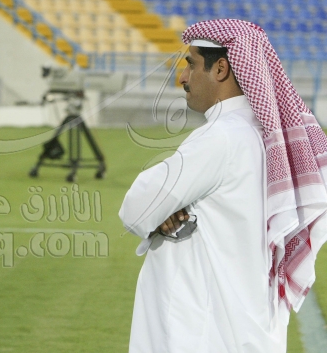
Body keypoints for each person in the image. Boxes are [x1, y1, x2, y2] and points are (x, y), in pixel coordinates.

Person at [119, 19, 327, 352]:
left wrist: (163, 213)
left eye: (191, 64)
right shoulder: (269, 140)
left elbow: (136, 207)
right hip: (249, 328)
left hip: (206, 332)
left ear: (220, 69)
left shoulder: (223, 138)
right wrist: (165, 211)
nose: (183, 77)